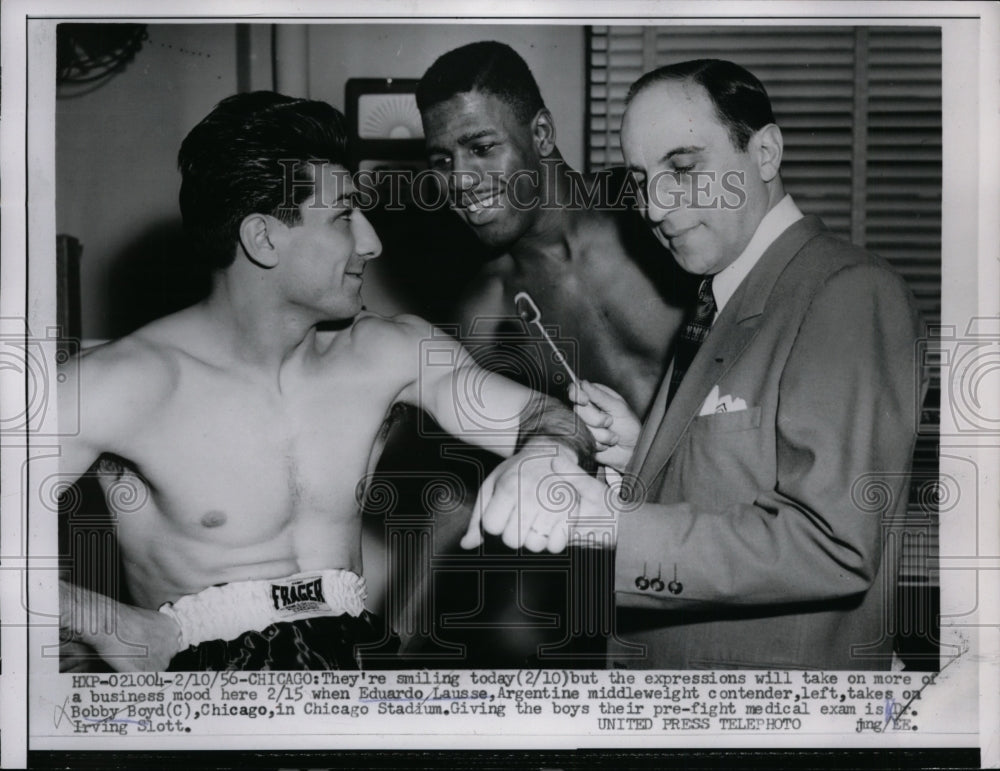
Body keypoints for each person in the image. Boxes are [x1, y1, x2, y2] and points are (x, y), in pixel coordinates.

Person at [57, 91, 593, 672]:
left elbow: (547, 417)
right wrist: (103, 621)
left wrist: (547, 453)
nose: (372, 242)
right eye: (343, 217)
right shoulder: (120, 384)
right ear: (263, 239)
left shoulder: (388, 351)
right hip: (205, 685)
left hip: (352, 663)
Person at [475, 59, 926, 670]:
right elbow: (739, 484)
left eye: (684, 169)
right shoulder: (725, 295)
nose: (655, 207)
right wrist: (640, 454)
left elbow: (832, 545)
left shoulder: (844, 291)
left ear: (765, 153)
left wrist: (609, 526)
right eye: (641, 180)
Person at [366, 42, 689, 666]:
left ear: (540, 133)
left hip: (741, 524)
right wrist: (382, 660)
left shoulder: (656, 214)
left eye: (482, 147)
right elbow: (455, 499)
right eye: (442, 160)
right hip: (623, 571)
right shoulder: (487, 306)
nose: (460, 181)